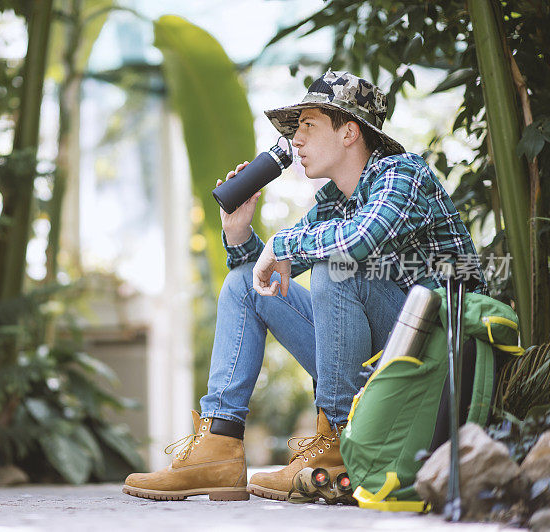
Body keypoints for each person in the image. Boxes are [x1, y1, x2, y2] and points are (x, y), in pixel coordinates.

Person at [122, 70, 486, 502]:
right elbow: (265, 276)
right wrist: (239, 232)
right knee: (242, 283)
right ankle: (219, 447)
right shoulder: (332, 201)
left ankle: (335, 444)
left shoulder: (401, 174)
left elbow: (359, 240)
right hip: (377, 360)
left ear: (350, 131)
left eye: (308, 126)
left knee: (334, 265)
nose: (296, 140)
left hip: (432, 361)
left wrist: (282, 243)